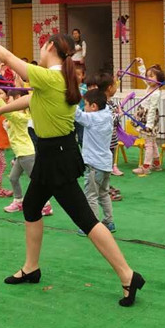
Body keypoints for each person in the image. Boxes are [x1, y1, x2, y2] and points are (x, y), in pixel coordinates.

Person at [0, 31, 144, 307]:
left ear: (50, 46)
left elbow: (8, 58)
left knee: (85, 219)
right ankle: (31, 267)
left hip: (56, 157)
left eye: (42, 46)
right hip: (53, 153)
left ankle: (128, 275)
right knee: (31, 207)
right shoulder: (60, 78)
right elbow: (32, 100)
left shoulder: (51, 76)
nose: (40, 50)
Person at [2, 90, 53, 215]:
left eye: (9, 98)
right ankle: (18, 201)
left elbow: (7, 113)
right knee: (13, 178)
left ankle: (46, 205)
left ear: (18, 98)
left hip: (26, 153)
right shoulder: (18, 115)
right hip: (21, 153)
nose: (7, 100)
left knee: (36, 181)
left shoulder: (21, 116)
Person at [74, 88, 116, 234]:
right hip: (105, 164)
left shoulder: (92, 118)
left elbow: (75, 114)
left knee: (91, 195)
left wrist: (71, 96)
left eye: (85, 104)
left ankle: (91, 225)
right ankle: (109, 222)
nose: (84, 107)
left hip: (94, 165)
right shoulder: (107, 114)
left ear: (94, 106)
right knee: (103, 193)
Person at [92, 73, 123, 199]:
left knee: (108, 167)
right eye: (115, 85)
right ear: (110, 88)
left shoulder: (110, 102)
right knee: (103, 168)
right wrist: (119, 114)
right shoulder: (103, 103)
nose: (116, 87)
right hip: (105, 141)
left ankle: (106, 186)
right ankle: (102, 190)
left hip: (112, 140)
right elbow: (110, 120)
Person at [132, 61, 163, 176]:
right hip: (144, 115)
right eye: (147, 76)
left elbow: (152, 110)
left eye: (151, 76)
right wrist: (141, 65)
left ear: (158, 79)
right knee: (152, 141)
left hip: (149, 118)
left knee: (148, 143)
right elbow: (143, 77)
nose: (148, 79)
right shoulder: (149, 86)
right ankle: (156, 163)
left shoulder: (156, 93)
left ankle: (146, 167)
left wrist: (149, 125)